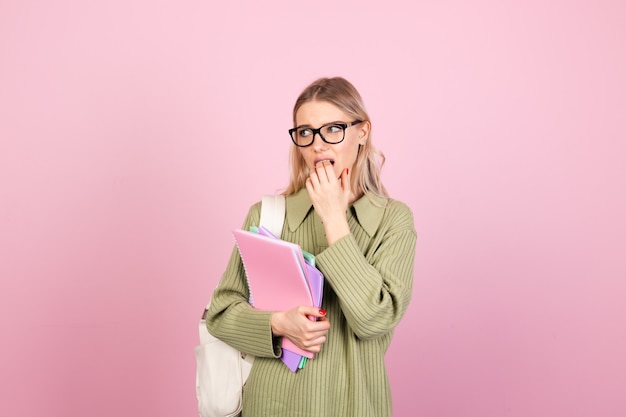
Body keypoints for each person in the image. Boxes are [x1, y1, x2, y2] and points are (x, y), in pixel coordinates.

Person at [206, 76, 417, 417]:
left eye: (333, 129)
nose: (318, 144)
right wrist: (277, 324)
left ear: (362, 132)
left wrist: (334, 219)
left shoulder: (393, 220)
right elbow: (220, 313)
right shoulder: (269, 215)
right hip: (271, 405)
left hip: (354, 406)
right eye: (305, 132)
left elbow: (375, 320)